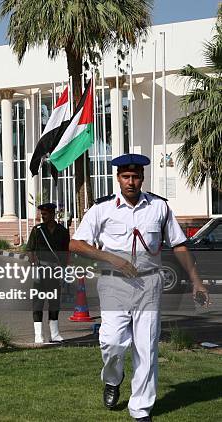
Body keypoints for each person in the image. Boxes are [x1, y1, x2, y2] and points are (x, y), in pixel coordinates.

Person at [69, 153, 210, 422]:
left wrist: (196, 281)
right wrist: (111, 258)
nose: (131, 181)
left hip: (148, 283)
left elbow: (178, 244)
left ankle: (141, 408)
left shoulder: (159, 207)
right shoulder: (102, 209)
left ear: (142, 178)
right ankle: (113, 378)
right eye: (125, 176)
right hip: (114, 283)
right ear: (118, 178)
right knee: (111, 342)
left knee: (146, 346)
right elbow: (76, 244)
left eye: (135, 177)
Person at [25, 202, 70, 343]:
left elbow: (66, 253)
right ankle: (38, 334)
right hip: (41, 270)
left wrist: (64, 271)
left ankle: (55, 333)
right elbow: (30, 250)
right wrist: (33, 264)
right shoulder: (37, 230)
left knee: (54, 302)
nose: (42, 217)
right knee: (38, 302)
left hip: (55, 271)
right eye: (41, 214)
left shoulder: (62, 231)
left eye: (45, 214)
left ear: (52, 214)